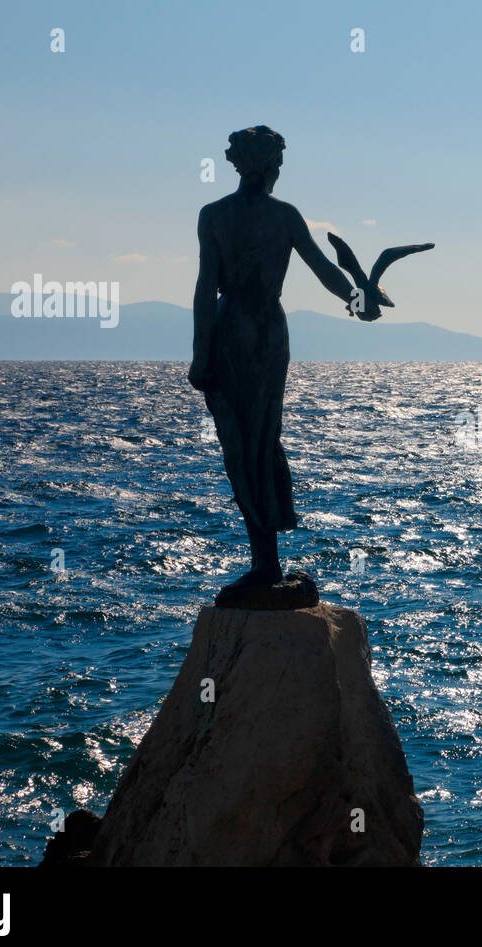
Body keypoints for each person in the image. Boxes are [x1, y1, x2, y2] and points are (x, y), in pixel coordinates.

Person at [188, 125, 380, 597]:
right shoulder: (281, 216)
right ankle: (265, 563)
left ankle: (265, 563)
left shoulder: (215, 214)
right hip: (261, 331)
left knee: (247, 445)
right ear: (270, 165)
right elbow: (325, 271)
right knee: (254, 443)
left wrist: (200, 352)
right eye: (277, 161)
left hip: (233, 329)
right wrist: (358, 300)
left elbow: (204, 288)